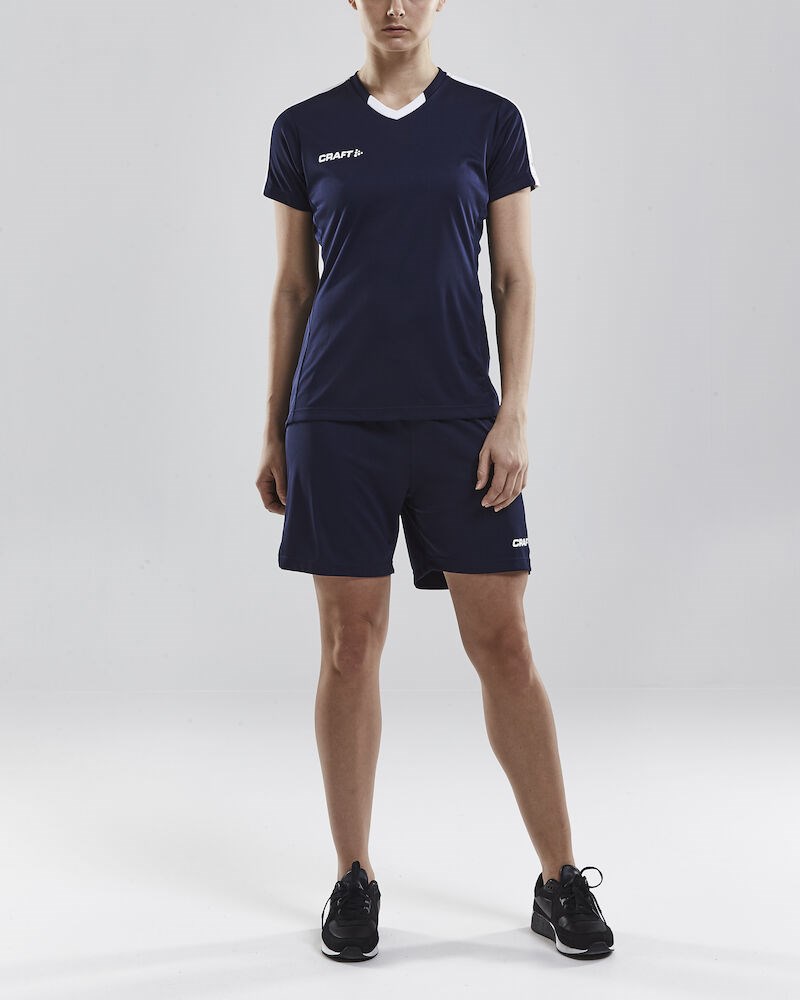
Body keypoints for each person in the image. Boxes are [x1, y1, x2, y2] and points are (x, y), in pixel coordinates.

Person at [255, 0, 614, 963]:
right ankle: (353, 876)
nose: (396, 6)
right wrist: (274, 428)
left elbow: (515, 278)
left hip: (461, 424)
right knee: (348, 648)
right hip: (337, 422)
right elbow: (292, 288)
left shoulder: (489, 122)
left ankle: (559, 877)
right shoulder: (304, 129)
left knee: (505, 645)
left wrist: (514, 414)